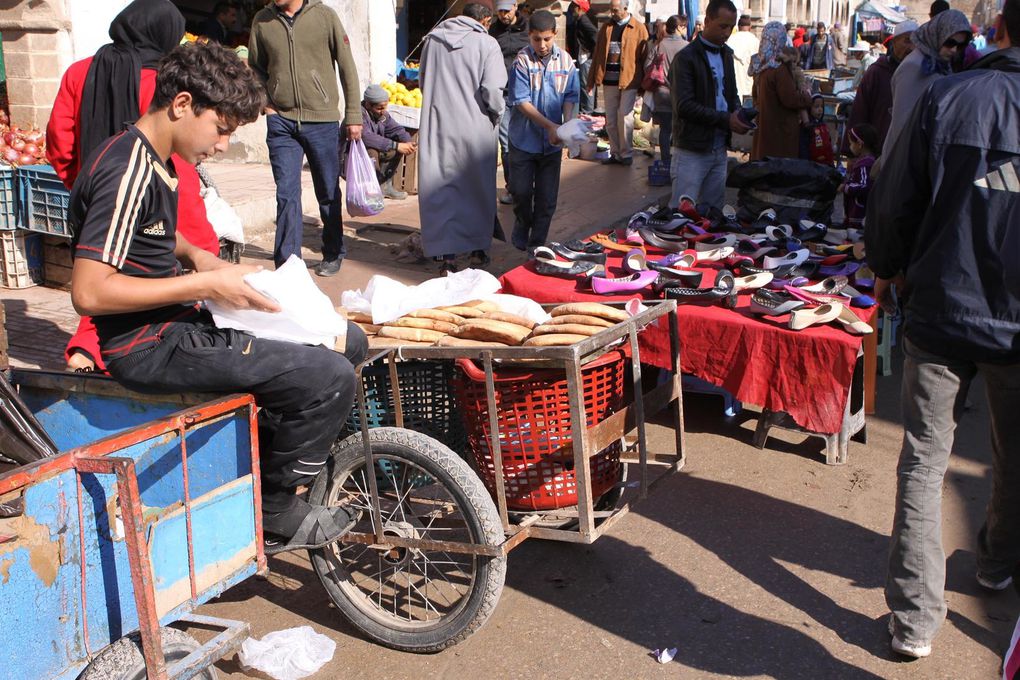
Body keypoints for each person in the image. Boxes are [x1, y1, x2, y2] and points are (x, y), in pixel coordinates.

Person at [69, 41, 368, 554]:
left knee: (348, 341)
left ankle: (268, 463)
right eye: (222, 129)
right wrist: (207, 284)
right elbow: (89, 291)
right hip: (148, 344)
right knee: (328, 376)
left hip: (179, 323)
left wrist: (200, 259)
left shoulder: (157, 159)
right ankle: (273, 505)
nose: (223, 145)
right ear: (183, 105)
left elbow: (155, 236)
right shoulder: (127, 170)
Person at [865, 0, 1020, 658]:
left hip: (939, 306)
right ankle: (995, 563)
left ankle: (913, 620)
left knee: (924, 465)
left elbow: (897, 194)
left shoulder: (949, 96)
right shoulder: (947, 93)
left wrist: (887, 266)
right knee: (1012, 456)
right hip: (1008, 322)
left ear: (1001, 29)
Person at [46, 0, 220, 374]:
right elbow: (181, 163)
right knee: (163, 289)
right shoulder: (164, 85)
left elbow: (60, 144)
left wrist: (89, 191)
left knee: (105, 274)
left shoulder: (79, 72)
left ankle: (87, 352)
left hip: (101, 203)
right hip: (164, 204)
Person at [248, 0, 362, 277]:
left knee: (327, 191)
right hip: (281, 122)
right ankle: (288, 263)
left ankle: (333, 251)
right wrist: (267, 104)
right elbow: (255, 68)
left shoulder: (324, 16)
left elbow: (347, 66)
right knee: (287, 194)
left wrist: (353, 114)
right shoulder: (263, 21)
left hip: (321, 120)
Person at [418, 3, 506, 274]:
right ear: (486, 20)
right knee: (476, 189)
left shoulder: (432, 41)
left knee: (440, 188)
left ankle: (446, 256)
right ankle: (478, 250)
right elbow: (493, 89)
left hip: (438, 125)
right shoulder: (487, 43)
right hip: (475, 126)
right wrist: (497, 115)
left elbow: (423, 81)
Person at [506, 10, 578, 251]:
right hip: (523, 141)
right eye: (537, 39)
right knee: (521, 192)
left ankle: (537, 245)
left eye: (547, 39)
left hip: (552, 146)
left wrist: (566, 127)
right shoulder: (522, 61)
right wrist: (551, 126)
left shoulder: (566, 61)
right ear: (529, 36)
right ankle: (522, 222)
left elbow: (570, 96)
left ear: (555, 35)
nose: (542, 45)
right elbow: (522, 102)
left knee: (547, 201)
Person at [669, 0, 748, 209]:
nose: (727, 32)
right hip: (691, 149)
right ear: (707, 21)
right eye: (722, 26)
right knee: (682, 215)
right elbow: (684, 106)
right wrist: (726, 119)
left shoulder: (727, 54)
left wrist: (739, 113)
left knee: (712, 214)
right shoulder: (685, 58)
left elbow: (731, 93)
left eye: (731, 27)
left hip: (719, 147)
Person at [885, 9, 971, 151]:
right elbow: (903, 124)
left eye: (960, 45)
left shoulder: (937, 63)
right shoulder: (915, 66)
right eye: (950, 42)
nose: (954, 50)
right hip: (908, 157)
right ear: (937, 35)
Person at [588, 0, 648, 166]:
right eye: (611, 10)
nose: (612, 13)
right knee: (612, 120)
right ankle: (615, 153)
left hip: (629, 80)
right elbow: (598, 54)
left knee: (625, 115)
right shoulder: (606, 28)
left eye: (615, 10)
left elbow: (645, 56)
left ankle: (626, 153)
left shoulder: (639, 28)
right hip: (609, 80)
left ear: (625, 9)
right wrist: (591, 79)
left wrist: (644, 83)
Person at [844, 20, 916, 154]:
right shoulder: (877, 72)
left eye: (915, 42)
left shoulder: (919, 75)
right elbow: (860, 112)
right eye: (907, 41)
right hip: (876, 150)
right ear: (894, 42)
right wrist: (852, 153)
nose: (912, 47)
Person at [749, 21, 813, 161]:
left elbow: (755, 96)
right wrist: (808, 96)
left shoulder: (760, 64)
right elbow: (790, 99)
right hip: (779, 131)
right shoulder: (779, 69)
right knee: (777, 173)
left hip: (764, 127)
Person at [490, 0, 530, 205]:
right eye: (500, 12)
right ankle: (512, 187)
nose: (503, 15)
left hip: (525, 93)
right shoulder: (493, 31)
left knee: (525, 140)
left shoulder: (528, 28)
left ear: (515, 7)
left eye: (507, 11)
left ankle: (528, 185)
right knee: (506, 144)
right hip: (503, 93)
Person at [353, 84, 416, 201]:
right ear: (368, 104)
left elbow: (396, 129)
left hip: (371, 151)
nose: (383, 111)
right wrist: (396, 146)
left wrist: (408, 142)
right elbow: (366, 137)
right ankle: (371, 190)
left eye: (385, 107)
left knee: (397, 144)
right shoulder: (357, 115)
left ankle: (385, 186)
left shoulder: (383, 115)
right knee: (372, 149)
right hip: (352, 158)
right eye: (379, 108)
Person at [645, 15, 688, 167]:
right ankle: (679, 162)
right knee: (680, 131)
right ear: (678, 27)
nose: (685, 29)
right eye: (684, 26)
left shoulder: (659, 46)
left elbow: (647, 67)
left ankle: (665, 161)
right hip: (682, 95)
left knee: (665, 130)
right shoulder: (687, 47)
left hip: (661, 93)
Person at [838, 123, 877, 226]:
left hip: (859, 215)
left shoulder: (865, 164)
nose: (850, 147)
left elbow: (864, 186)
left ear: (859, 144)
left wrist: (846, 187)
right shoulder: (865, 162)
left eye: (851, 143)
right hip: (856, 215)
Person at [566, 0, 598, 115]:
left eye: (574, 6)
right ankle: (585, 112)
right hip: (584, 58)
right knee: (584, 85)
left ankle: (587, 113)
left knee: (586, 86)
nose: (571, 9)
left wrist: (591, 53)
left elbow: (596, 36)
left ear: (579, 8)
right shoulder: (579, 20)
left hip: (587, 58)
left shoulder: (584, 20)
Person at [727, 14, 760, 101]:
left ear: (738, 26)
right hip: (749, 83)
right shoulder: (755, 41)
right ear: (750, 27)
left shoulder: (729, 40)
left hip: (732, 84)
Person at [799, 94, 834, 165]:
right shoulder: (807, 127)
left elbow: (828, 144)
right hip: (811, 165)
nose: (820, 109)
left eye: (822, 106)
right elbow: (803, 147)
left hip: (825, 164)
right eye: (816, 106)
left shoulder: (824, 125)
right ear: (809, 109)